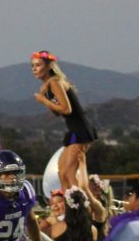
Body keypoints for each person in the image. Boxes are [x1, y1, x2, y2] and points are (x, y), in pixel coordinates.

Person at [31, 50, 98, 212]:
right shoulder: (48, 86)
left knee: (68, 173)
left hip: (81, 130)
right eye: (32, 66)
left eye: (38, 65)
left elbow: (66, 109)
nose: (34, 69)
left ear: (49, 67)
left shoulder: (55, 82)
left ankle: (81, 209)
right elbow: (58, 112)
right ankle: (69, 208)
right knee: (62, 173)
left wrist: (44, 100)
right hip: (74, 131)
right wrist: (46, 100)